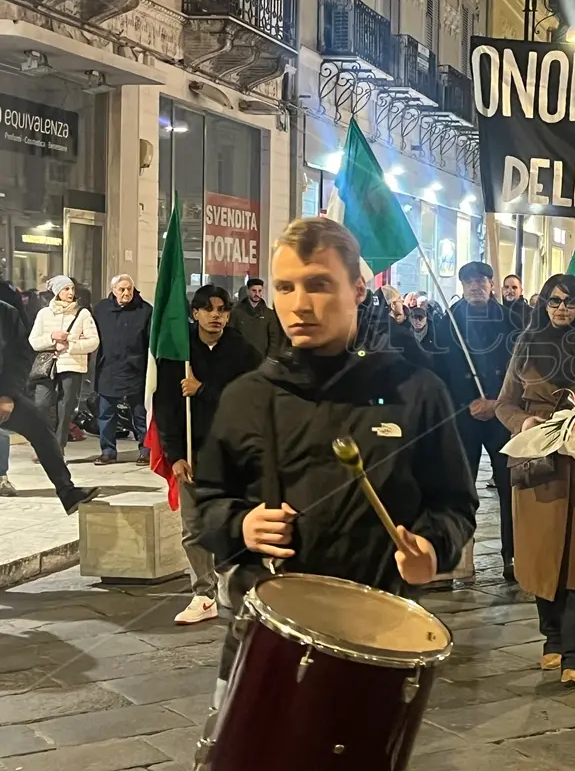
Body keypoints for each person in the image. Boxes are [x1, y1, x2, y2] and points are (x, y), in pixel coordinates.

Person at [193, 217, 478, 708]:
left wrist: (433, 547)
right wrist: (241, 526)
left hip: (378, 639)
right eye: (285, 287)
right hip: (266, 642)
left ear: (358, 290)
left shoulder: (415, 392)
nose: (299, 304)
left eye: (319, 285)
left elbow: (454, 503)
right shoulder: (246, 396)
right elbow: (208, 505)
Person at [495, 273, 575, 686]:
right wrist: (523, 422)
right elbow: (505, 403)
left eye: (569, 302)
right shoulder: (526, 343)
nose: (561, 309)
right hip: (540, 463)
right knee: (543, 552)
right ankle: (551, 639)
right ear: (544, 304)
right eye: (554, 301)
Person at [155, 285, 262, 625]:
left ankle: (238, 585)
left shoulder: (243, 352)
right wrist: (174, 454)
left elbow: (250, 401)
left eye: (223, 310)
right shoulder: (179, 350)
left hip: (231, 454)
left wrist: (203, 390)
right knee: (193, 528)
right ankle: (203, 593)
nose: (217, 315)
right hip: (192, 451)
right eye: (210, 309)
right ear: (195, 313)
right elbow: (166, 407)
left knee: (233, 523)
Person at [430, 261, 521, 580]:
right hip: (463, 417)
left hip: (501, 416)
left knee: (509, 487)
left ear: (491, 285)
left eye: (481, 281)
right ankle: (460, 558)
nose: (475, 286)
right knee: (460, 488)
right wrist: (463, 404)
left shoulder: (510, 320)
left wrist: (498, 403)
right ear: (462, 286)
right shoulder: (449, 322)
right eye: (469, 282)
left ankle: (513, 556)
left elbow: (519, 368)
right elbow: (438, 370)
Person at [0, 281, 99, 510]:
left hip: (2, 392)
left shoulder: (6, 313)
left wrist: (7, 395)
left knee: (40, 427)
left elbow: (20, 355)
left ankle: (67, 491)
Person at [28, 275, 100, 449]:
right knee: (41, 404)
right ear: (57, 292)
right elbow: (33, 341)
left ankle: (58, 446)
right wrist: (52, 338)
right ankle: (42, 443)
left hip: (72, 364)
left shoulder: (83, 314)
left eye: (72, 289)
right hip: (47, 365)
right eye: (66, 289)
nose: (70, 292)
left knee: (66, 406)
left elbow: (94, 341)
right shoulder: (44, 314)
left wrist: (70, 344)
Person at [92, 274, 153, 465]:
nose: (126, 293)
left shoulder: (145, 310)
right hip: (109, 368)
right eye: (122, 289)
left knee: (140, 414)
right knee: (106, 414)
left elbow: (150, 340)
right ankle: (108, 451)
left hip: (136, 369)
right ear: (113, 290)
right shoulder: (101, 309)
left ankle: (146, 450)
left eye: (129, 289)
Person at [228, 277, 285, 359]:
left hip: (262, 360)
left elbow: (274, 339)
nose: (257, 294)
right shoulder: (236, 313)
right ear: (248, 291)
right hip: (240, 359)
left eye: (260, 291)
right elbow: (230, 337)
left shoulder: (269, 314)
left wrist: (270, 359)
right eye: (254, 291)